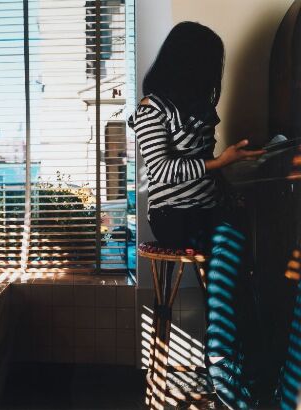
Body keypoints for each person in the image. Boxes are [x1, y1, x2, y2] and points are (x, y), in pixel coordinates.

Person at [128, 22, 266, 409]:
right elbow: (162, 170)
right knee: (230, 260)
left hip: (206, 210)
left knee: (239, 259)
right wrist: (220, 161)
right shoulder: (152, 108)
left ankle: (238, 363)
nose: (213, 74)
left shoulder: (199, 107)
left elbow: (208, 169)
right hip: (173, 215)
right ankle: (229, 362)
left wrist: (227, 181)